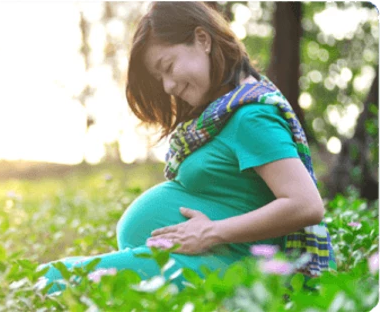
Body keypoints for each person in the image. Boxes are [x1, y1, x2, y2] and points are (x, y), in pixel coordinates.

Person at [36, 2, 336, 295]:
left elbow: (306, 204)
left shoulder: (252, 116)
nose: (167, 86)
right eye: (159, 78)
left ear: (202, 39)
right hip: (206, 263)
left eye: (167, 67)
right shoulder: (224, 113)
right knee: (54, 278)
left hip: (231, 272)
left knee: (51, 279)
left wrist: (213, 231)